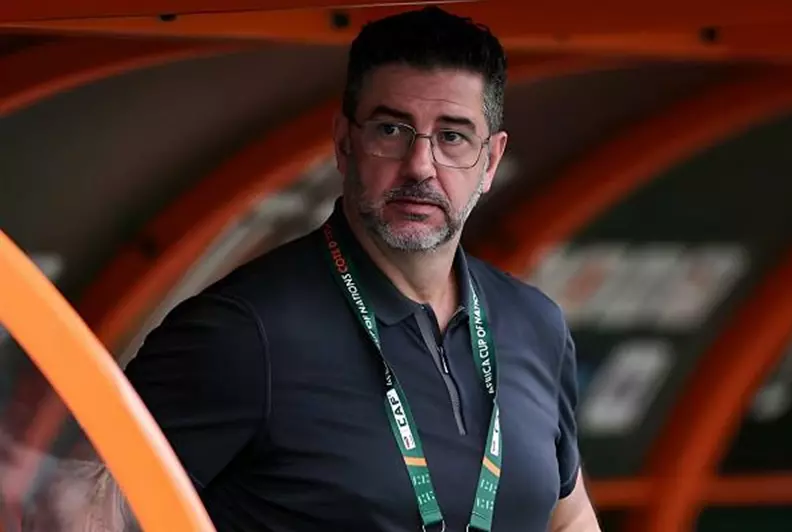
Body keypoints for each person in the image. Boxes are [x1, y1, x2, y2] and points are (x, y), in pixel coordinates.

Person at [112, 6, 601, 531]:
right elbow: (89, 507)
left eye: (452, 137)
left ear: (491, 161)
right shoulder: (243, 330)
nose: (420, 165)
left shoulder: (534, 323)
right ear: (345, 144)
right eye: (391, 129)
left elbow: (569, 516)